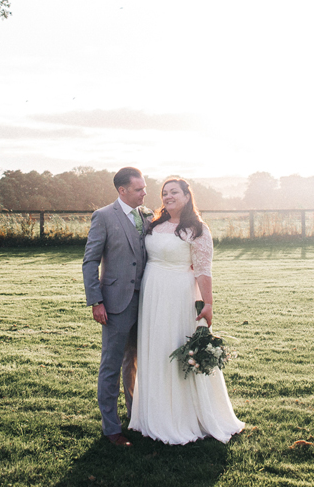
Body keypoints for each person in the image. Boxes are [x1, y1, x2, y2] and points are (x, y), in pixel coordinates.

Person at [130, 177, 244, 445]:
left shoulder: (197, 229)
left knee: (174, 345)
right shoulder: (154, 224)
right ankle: (153, 413)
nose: (168, 196)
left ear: (186, 196)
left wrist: (208, 304)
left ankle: (183, 416)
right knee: (156, 348)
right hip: (152, 290)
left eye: (174, 192)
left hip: (179, 293)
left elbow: (203, 270)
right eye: (164, 193)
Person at [82, 166, 149, 447]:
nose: (144, 193)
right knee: (111, 365)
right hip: (115, 304)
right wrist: (96, 301)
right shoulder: (104, 216)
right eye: (138, 189)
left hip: (146, 303)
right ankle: (112, 428)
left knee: (136, 362)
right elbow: (90, 261)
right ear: (122, 191)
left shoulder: (147, 216)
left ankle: (136, 419)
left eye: (144, 187)